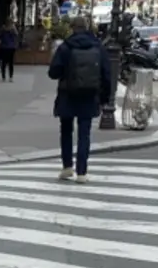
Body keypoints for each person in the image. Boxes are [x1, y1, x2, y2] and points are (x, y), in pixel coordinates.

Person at [47, 15, 112, 183]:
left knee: (66, 131)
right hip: (89, 96)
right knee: (84, 134)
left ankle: (67, 167)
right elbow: (106, 74)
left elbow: (53, 73)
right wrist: (105, 98)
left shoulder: (66, 47)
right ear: (88, 27)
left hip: (67, 94)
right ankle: (82, 172)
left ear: (72, 28)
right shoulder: (98, 47)